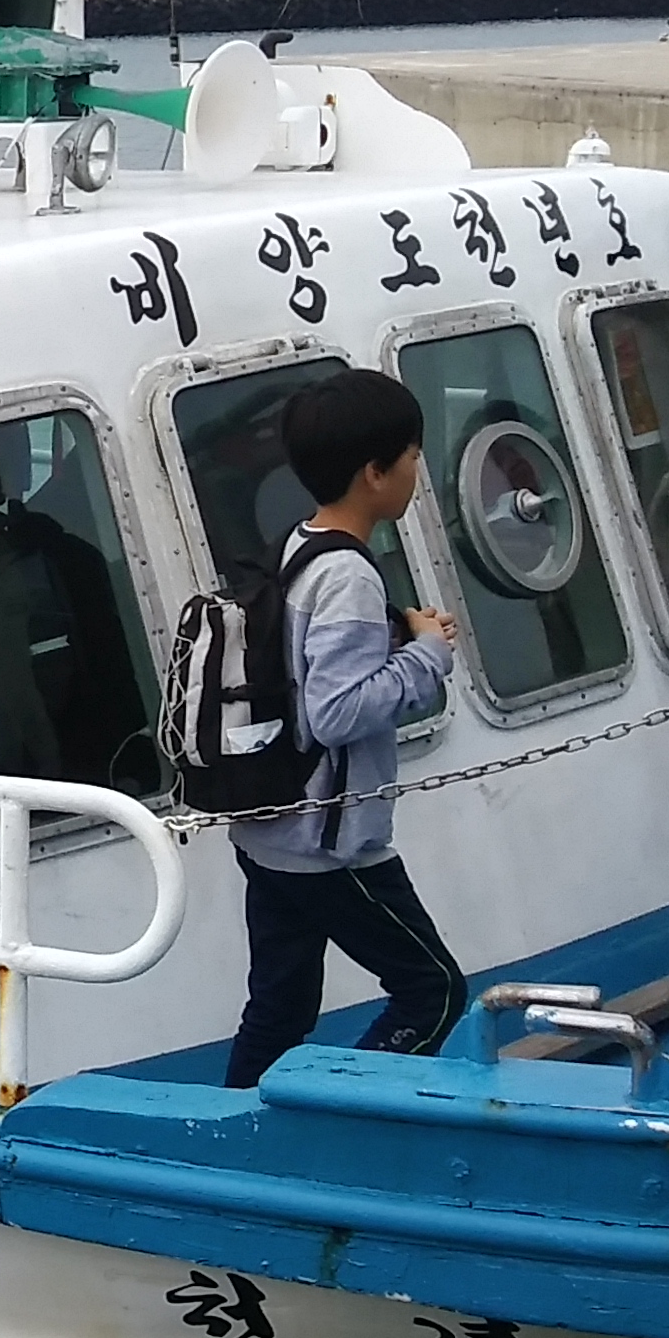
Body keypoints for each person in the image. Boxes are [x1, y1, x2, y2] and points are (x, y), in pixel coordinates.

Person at [215, 372, 467, 1090]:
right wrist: (428, 655)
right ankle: (344, 1102)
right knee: (433, 991)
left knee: (278, 1012)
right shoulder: (350, 576)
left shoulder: (299, 545)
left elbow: (305, 675)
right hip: (331, 845)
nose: (418, 468)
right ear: (375, 473)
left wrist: (400, 639)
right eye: (412, 455)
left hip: (271, 833)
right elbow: (336, 711)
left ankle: (243, 1128)